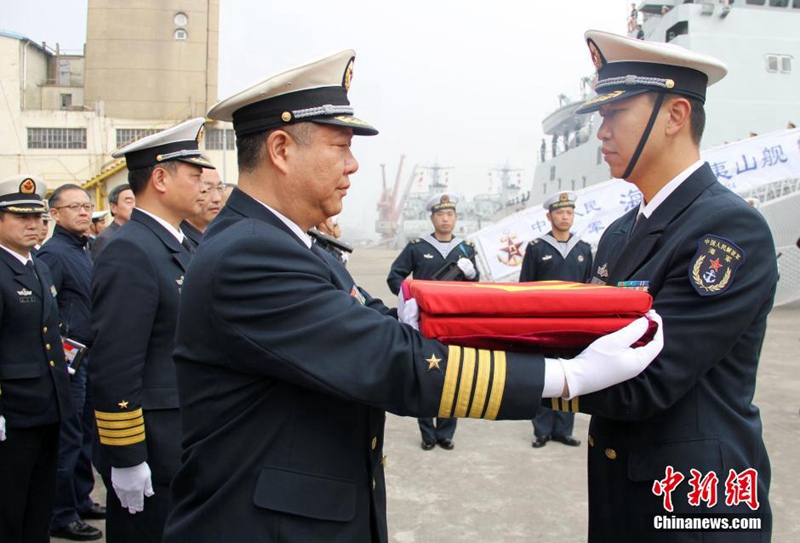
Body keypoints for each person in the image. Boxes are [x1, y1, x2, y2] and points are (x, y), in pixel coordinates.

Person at [162, 49, 664, 543]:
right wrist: (566, 376)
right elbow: (387, 357)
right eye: (341, 146)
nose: (354, 166)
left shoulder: (287, 243)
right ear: (281, 149)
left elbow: (379, 324)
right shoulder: (250, 253)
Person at [564, 30, 777, 541]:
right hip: (625, 491)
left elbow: (646, 381)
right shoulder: (618, 234)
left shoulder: (727, 230)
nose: (602, 133)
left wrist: (503, 377)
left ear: (675, 115)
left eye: (615, 114)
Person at [89, 118, 213, 543]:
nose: (204, 187)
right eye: (195, 176)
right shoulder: (130, 251)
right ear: (160, 178)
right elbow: (114, 363)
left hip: (185, 432)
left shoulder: (178, 244)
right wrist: (125, 457)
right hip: (154, 443)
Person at [0, 175, 72, 543]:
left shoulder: (37, 266)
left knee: (39, 501)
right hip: (12, 411)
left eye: (38, 218)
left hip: (47, 405)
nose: (34, 225)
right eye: (21, 218)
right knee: (9, 505)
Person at [37, 184, 104, 541]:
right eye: (74, 207)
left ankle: (80, 499)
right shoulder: (54, 254)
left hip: (89, 355)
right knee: (68, 436)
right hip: (68, 361)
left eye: (86, 206)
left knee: (84, 435)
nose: (82, 212)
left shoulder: (85, 249)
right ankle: (61, 513)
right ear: (56, 214)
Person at [387, 192, 479, 451]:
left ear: (456, 217)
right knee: (425, 375)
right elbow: (395, 277)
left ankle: (446, 432)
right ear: (432, 218)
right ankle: (427, 432)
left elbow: (476, 287)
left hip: (455, 324)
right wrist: (409, 299)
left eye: (450, 214)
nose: (446, 219)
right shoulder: (417, 247)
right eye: (440, 214)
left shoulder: (466, 249)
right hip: (424, 323)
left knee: (455, 376)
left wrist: (472, 274)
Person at [521, 191, 592, 450]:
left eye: (569, 212)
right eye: (560, 212)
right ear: (549, 216)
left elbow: (590, 288)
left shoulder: (583, 249)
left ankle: (564, 429)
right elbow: (525, 288)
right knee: (544, 375)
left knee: (571, 376)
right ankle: (541, 430)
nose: (565, 217)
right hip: (544, 323)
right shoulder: (537, 248)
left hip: (574, 324)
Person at [180, 168, 225, 248]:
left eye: (219, 188)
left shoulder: (219, 237)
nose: (217, 198)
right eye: (207, 189)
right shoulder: (180, 240)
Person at [90, 184, 135, 260]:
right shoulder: (105, 239)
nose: (134, 206)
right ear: (113, 207)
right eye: (129, 202)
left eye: (137, 201)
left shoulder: (139, 234)